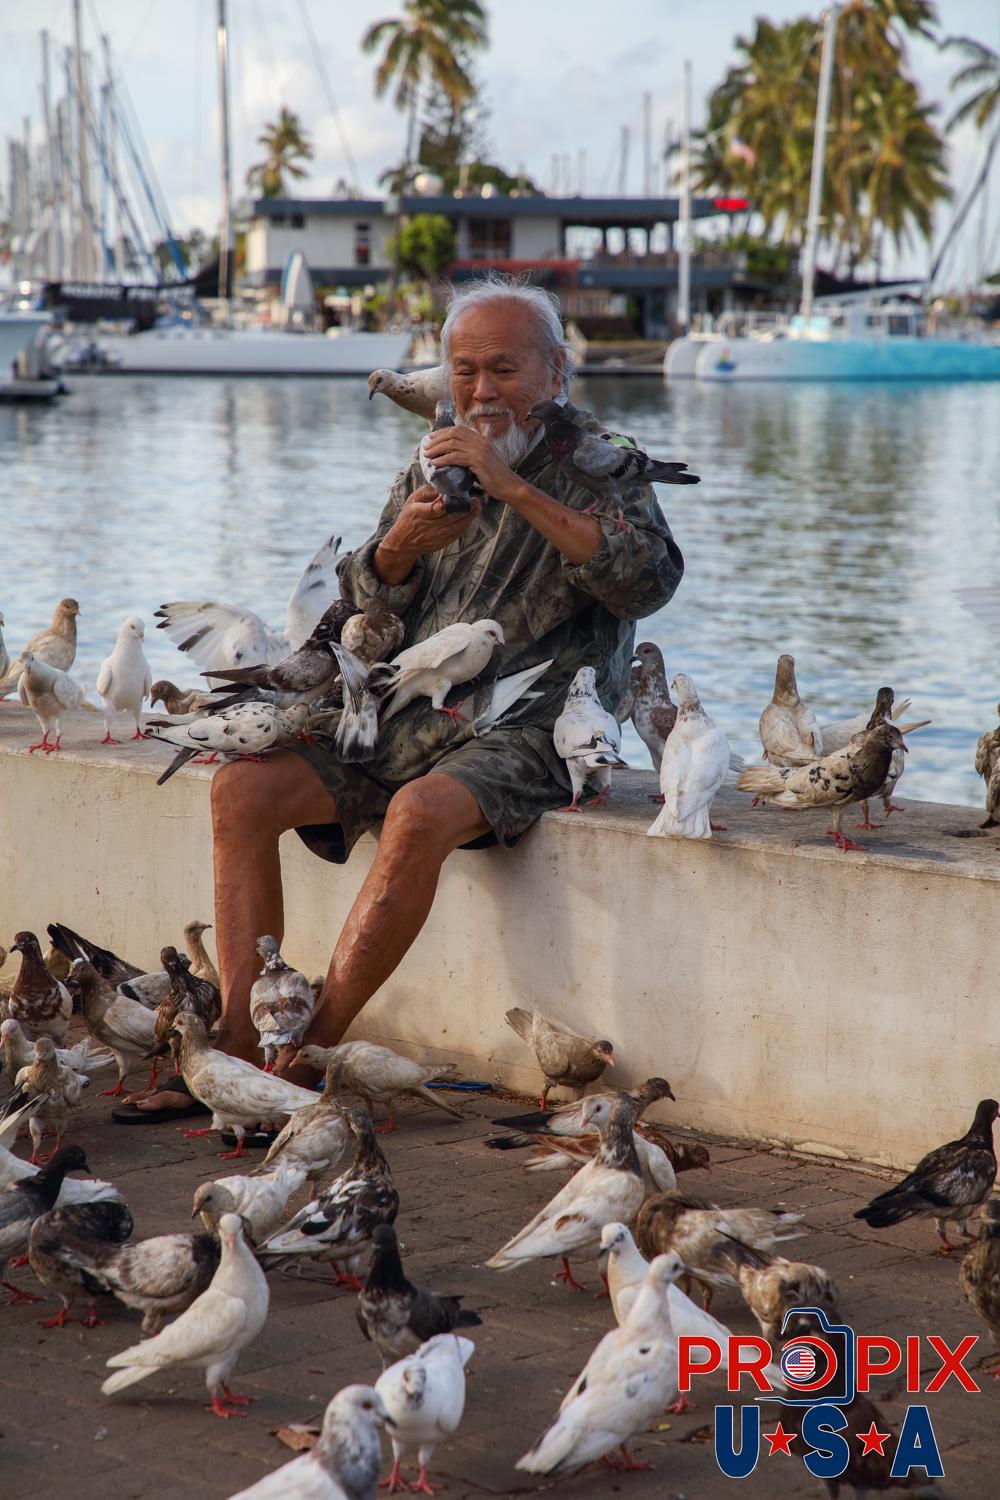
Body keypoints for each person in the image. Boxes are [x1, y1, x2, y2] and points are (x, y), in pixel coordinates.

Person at [131, 274, 683, 1111]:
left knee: (417, 813)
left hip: (538, 723)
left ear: (556, 372)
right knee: (241, 788)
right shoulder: (435, 454)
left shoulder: (600, 462)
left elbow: (648, 582)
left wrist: (512, 487)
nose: (481, 390)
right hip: (404, 712)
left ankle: (305, 1057)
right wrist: (394, 552)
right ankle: (241, 1047)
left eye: (504, 368)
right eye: (465, 370)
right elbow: (361, 614)